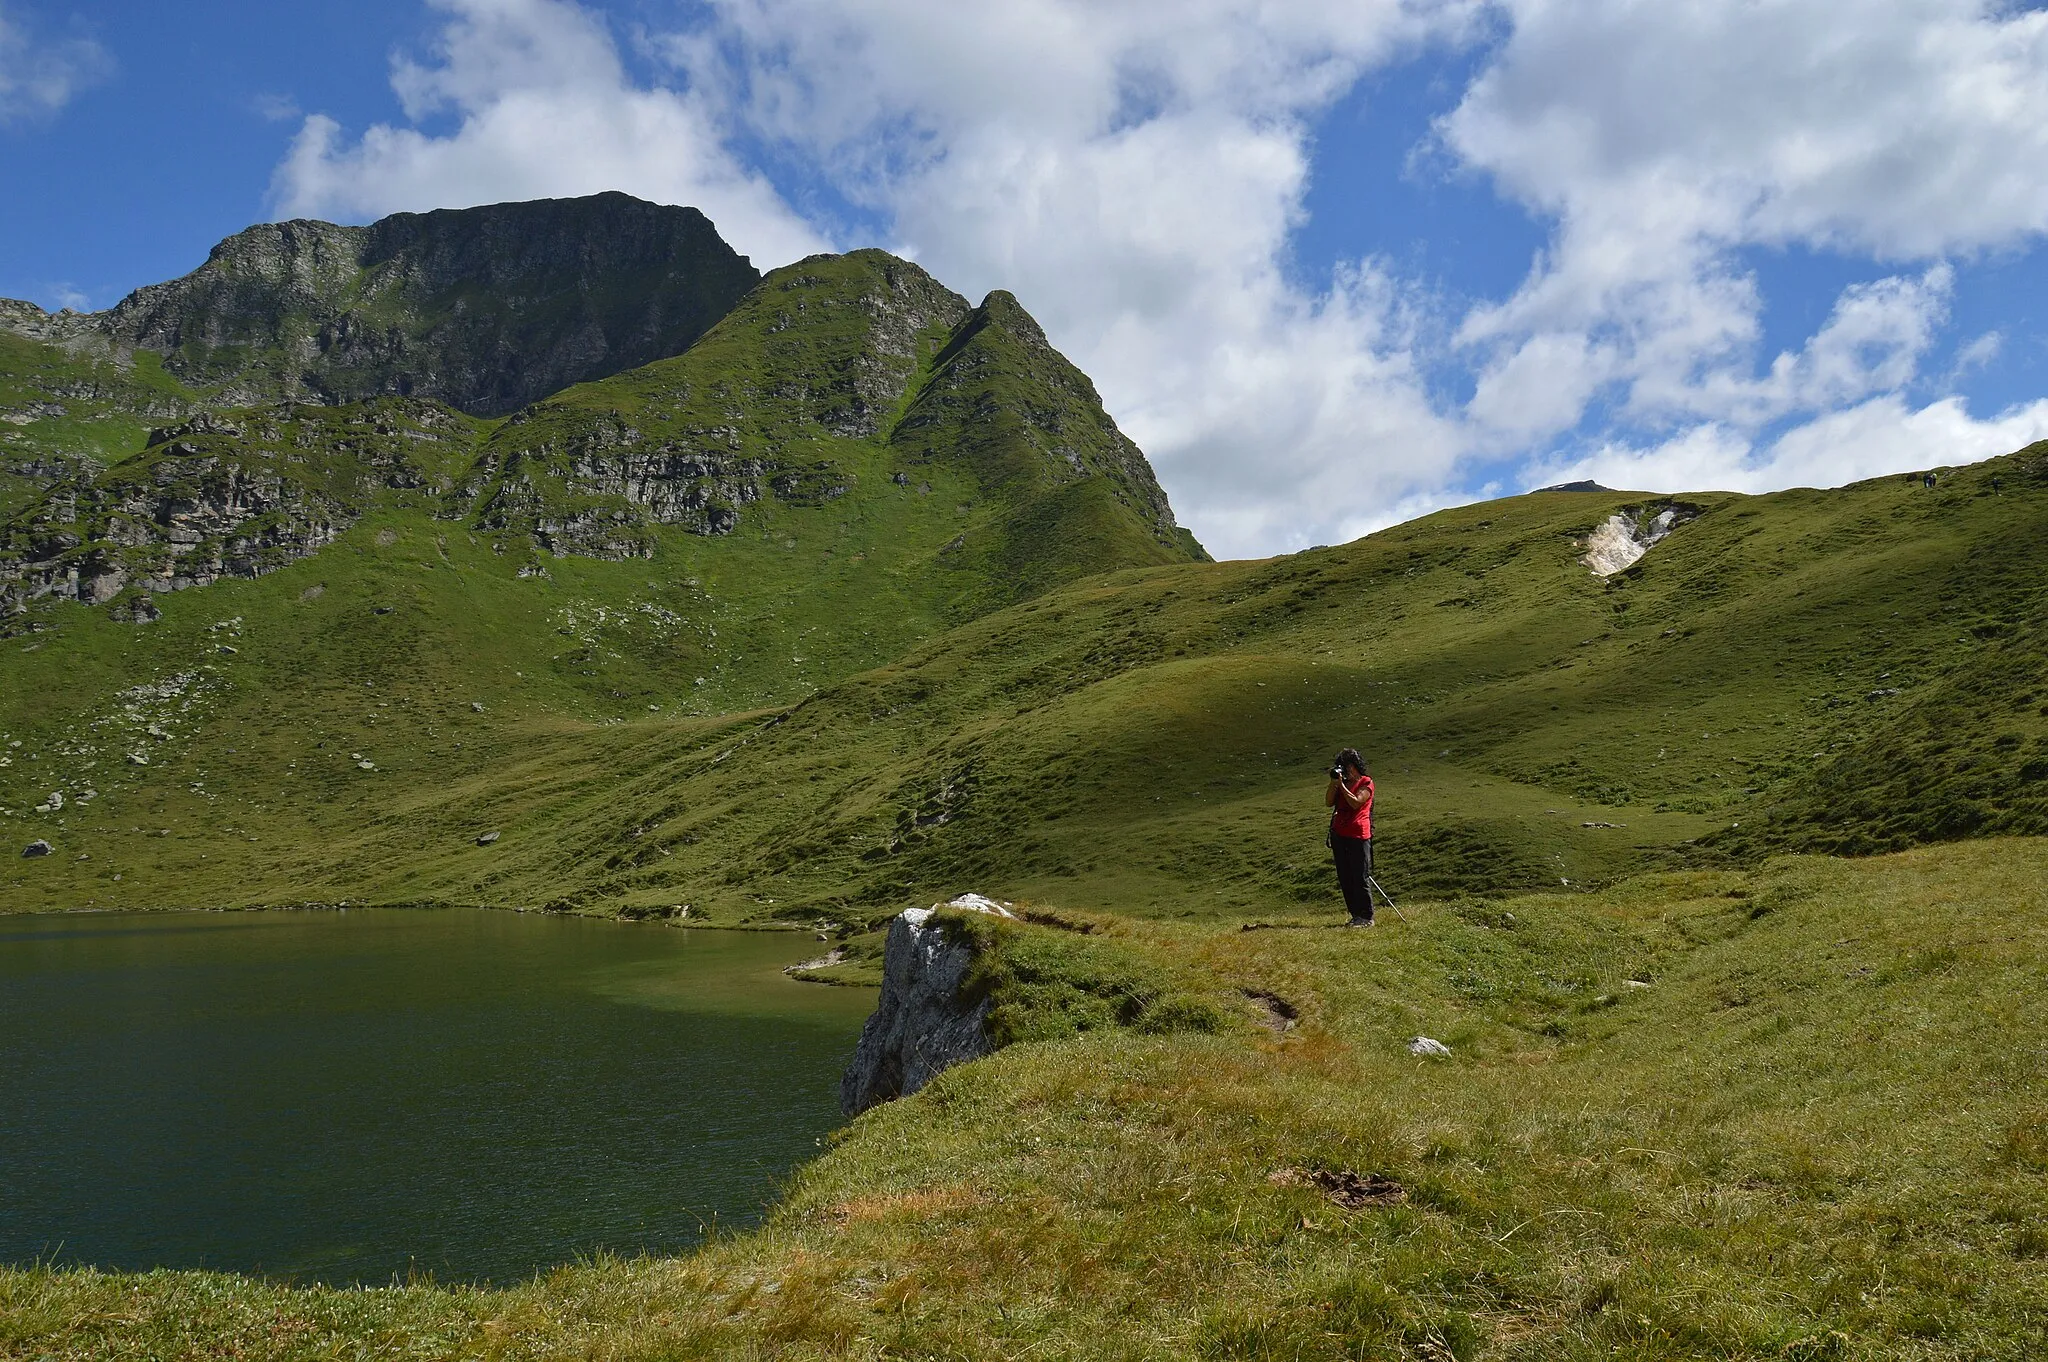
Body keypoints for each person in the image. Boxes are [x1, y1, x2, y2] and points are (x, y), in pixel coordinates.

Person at [1325, 748, 1375, 927]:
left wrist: (1343, 786)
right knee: (1345, 876)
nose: (1343, 771)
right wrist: (1334, 784)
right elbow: (1328, 802)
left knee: (1359, 875)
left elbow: (1355, 802)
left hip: (1358, 835)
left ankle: (1367, 916)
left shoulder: (1366, 782)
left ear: (1353, 766)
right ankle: (1356, 915)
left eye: (1345, 767)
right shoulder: (1340, 784)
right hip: (1340, 835)